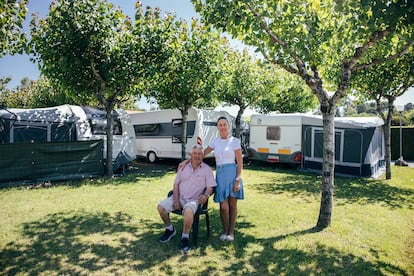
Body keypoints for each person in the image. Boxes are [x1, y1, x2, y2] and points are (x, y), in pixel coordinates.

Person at [179, 116, 244, 242]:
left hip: (232, 173)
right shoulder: (215, 141)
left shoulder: (235, 141)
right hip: (220, 175)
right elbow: (201, 155)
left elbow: (240, 162)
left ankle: (231, 232)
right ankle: (225, 231)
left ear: (228, 126)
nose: (222, 127)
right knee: (223, 207)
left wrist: (238, 179)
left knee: (232, 205)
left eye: (224, 124)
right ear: (217, 127)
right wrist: (187, 161)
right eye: (220, 125)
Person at [157, 144, 216, 253]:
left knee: (188, 211)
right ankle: (170, 229)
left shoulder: (207, 170)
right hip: (179, 197)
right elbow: (176, 184)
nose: (197, 156)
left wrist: (206, 195)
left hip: (194, 200)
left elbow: (210, 187)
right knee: (161, 207)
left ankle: (185, 237)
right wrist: (175, 200)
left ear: (202, 156)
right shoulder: (183, 167)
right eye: (194, 153)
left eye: (199, 154)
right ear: (190, 155)